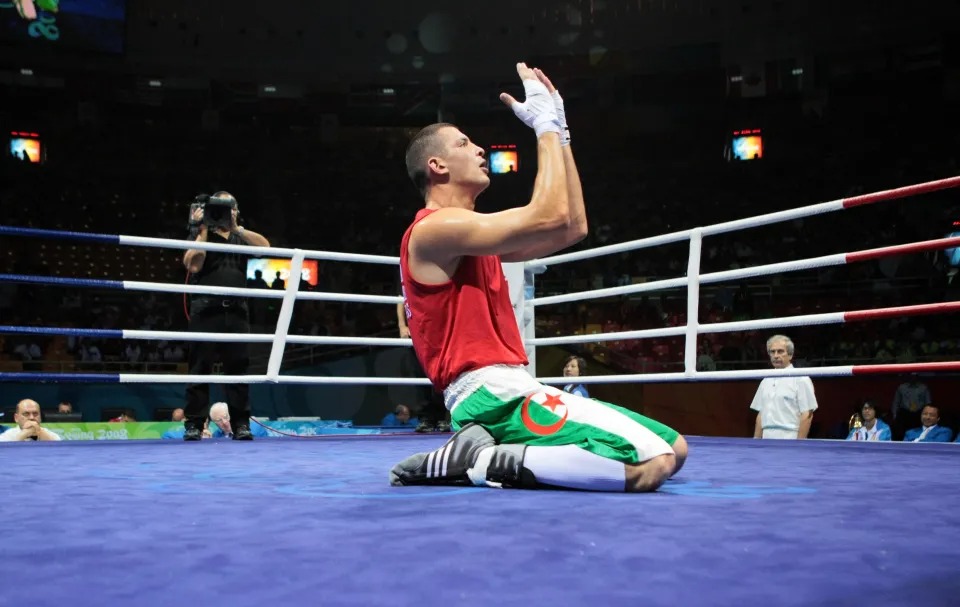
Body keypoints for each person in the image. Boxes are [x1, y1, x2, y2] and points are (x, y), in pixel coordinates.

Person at [389, 63, 687, 493]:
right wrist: (542, 125)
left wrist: (560, 132)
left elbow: (571, 227)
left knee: (674, 448)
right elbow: (551, 214)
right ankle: (484, 461)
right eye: (463, 142)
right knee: (651, 466)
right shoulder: (434, 229)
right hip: (490, 394)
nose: (478, 149)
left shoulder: (470, 236)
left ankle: (482, 452)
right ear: (436, 165)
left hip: (513, 386)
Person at [182, 191, 270, 441]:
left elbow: (265, 248)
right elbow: (192, 264)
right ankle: (194, 425)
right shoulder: (201, 233)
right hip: (205, 309)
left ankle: (241, 424)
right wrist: (202, 231)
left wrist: (236, 228)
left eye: (228, 207)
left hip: (237, 311)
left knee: (238, 369)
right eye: (218, 207)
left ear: (236, 210)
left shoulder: (240, 236)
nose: (223, 212)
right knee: (199, 368)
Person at [750, 334, 818, 439]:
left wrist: (799, 445)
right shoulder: (765, 380)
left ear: (790, 355)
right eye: (772, 352)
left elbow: (807, 415)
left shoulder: (801, 378)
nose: (776, 355)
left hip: (790, 436)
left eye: (780, 351)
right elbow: (761, 414)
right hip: (766, 437)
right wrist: (756, 442)